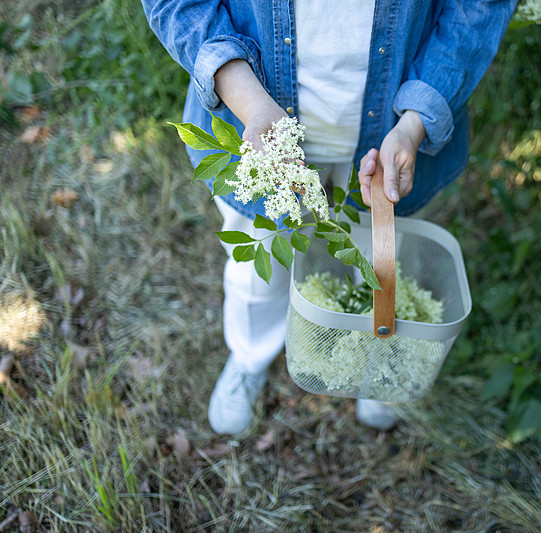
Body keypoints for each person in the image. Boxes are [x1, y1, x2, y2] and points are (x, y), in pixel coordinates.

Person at [141, 0, 518, 434]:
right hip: (258, 123)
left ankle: (376, 361)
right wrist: (250, 104)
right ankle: (249, 356)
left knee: (383, 262)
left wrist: (415, 122)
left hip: (391, 129)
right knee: (257, 273)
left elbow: (477, 9)